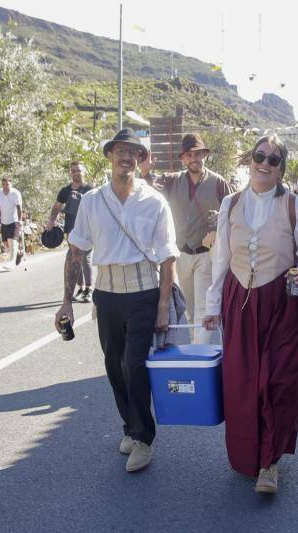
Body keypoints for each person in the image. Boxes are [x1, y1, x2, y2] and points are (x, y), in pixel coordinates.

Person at [55, 128, 180, 473]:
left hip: (143, 293)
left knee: (134, 365)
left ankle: (143, 438)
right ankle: (130, 425)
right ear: (110, 156)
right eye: (120, 151)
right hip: (107, 295)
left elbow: (168, 258)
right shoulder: (92, 201)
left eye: (133, 153)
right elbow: (76, 251)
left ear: (140, 161)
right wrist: (66, 302)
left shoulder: (155, 201)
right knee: (114, 367)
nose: (126, 158)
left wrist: (163, 306)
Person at [202, 134, 298, 494]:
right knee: (242, 384)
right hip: (239, 302)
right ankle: (248, 455)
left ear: (281, 168)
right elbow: (221, 258)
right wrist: (211, 306)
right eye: (259, 156)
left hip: (284, 302)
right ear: (249, 159)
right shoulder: (231, 204)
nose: (264, 164)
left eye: (273, 160)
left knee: (278, 381)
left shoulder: (294, 206)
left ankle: (270, 462)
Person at [158, 133, 233, 343]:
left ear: (204, 156)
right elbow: (148, 195)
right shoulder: (172, 182)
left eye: (198, 154)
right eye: (189, 155)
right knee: (189, 307)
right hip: (181, 254)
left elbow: (234, 215)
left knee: (202, 306)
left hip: (206, 255)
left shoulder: (219, 183)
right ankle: (195, 347)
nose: (194, 159)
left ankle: (198, 352)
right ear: (183, 158)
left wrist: (219, 227)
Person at [45, 161, 93, 302]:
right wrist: (52, 220)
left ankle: (88, 289)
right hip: (71, 230)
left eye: (78, 170)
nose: (75, 173)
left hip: (87, 230)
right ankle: (80, 288)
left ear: (84, 171)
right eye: (73, 170)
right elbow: (57, 206)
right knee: (74, 259)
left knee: (85, 259)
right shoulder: (65, 190)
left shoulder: (90, 189)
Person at [0, 176, 23, 270]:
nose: (5, 186)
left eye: (7, 184)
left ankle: (11, 262)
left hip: (14, 221)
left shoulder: (15, 193)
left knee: (12, 241)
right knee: (5, 243)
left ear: (11, 184)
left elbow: (19, 207)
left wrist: (20, 220)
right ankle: (18, 253)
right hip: (4, 221)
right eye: (3, 184)